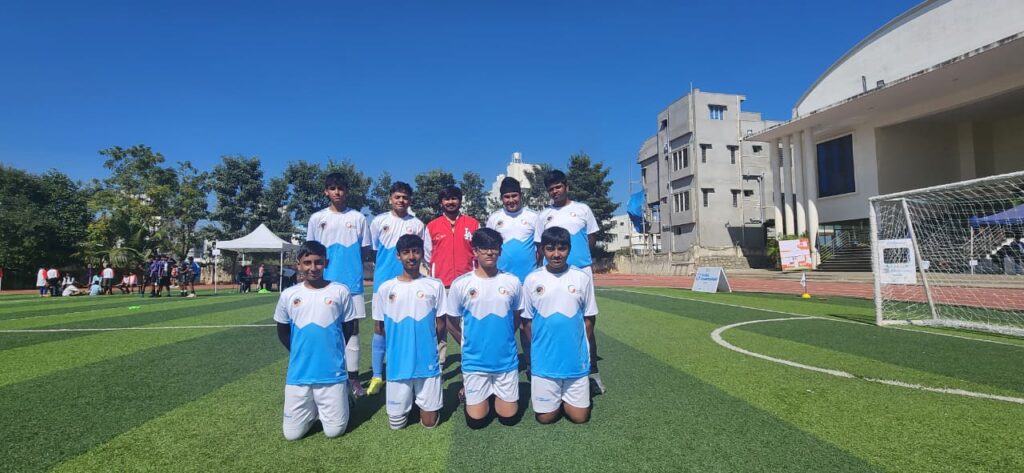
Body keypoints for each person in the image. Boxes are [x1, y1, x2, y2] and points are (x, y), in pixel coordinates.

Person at [273, 240, 355, 441]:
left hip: (332, 374)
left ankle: (343, 394)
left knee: (334, 432)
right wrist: (301, 352)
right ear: (298, 264)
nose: (313, 268)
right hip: (299, 374)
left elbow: (348, 328)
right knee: (292, 435)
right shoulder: (289, 294)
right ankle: (313, 409)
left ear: (326, 263)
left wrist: (331, 351)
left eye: (318, 262)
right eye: (307, 262)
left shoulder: (340, 291)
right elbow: (282, 332)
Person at [534, 169, 606, 395]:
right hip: (552, 274)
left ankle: (592, 372)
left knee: (587, 320)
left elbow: (591, 238)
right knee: (554, 319)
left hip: (580, 271)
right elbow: (539, 246)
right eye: (551, 189)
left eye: (558, 187)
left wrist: (578, 260)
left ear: (566, 186)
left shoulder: (583, 209)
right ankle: (545, 368)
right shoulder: (543, 215)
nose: (555, 191)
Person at [445, 228, 523, 428]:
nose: (490, 252)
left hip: (505, 362)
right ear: (475, 251)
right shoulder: (461, 284)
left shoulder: (512, 282)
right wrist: (466, 343)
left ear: (500, 251)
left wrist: (504, 338)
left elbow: (516, 317)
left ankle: (492, 393)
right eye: (484, 248)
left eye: (494, 248)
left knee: (509, 420)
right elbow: (450, 322)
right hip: (475, 363)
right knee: (477, 422)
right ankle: (469, 392)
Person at [521, 227, 598, 424]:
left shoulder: (581, 278)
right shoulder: (532, 279)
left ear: (569, 249)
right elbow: (527, 321)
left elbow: (589, 317)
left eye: (562, 249)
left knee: (580, 417)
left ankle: (571, 392)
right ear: (542, 250)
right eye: (550, 249)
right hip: (545, 361)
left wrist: (579, 346)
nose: (556, 254)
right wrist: (539, 346)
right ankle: (556, 396)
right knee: (545, 418)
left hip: (575, 359)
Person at [306, 172, 372, 398]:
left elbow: (364, 250)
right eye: (333, 188)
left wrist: (350, 267)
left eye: (341, 188)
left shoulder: (358, 218)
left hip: (352, 283)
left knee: (353, 330)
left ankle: (353, 378)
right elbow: (311, 250)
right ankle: (331, 373)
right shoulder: (317, 218)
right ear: (326, 191)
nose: (337, 192)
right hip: (324, 283)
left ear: (347, 191)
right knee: (325, 327)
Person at [372, 234, 445, 430]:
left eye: (415, 252)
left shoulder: (434, 285)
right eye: (406, 252)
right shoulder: (386, 288)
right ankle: (409, 400)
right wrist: (378, 372)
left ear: (422, 254)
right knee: (396, 425)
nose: (411, 257)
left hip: (426, 362)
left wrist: (429, 346)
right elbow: (379, 329)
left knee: (429, 424)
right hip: (398, 364)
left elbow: (441, 323)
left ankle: (422, 402)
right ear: (398, 256)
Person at [367, 181, 432, 396]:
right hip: (383, 282)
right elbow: (375, 250)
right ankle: (377, 375)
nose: (401, 200)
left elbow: (422, 253)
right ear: (390, 199)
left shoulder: (418, 224)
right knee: (380, 327)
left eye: (405, 197)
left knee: (409, 322)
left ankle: (411, 366)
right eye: (397, 197)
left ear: (410, 200)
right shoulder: (379, 221)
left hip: (411, 282)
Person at [426, 185, 480, 369]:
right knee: (440, 325)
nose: (450, 202)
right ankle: (439, 364)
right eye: (447, 199)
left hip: (467, 283)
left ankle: (471, 359)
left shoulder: (473, 224)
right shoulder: (432, 226)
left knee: (468, 324)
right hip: (442, 284)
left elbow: (477, 251)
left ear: (460, 201)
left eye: (454, 198)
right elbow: (428, 255)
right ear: (441, 202)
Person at [487, 177, 539, 282]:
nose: (511, 200)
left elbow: (540, 249)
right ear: (501, 198)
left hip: (529, 279)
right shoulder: (494, 218)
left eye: (514, 196)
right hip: (502, 279)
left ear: (520, 196)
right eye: (507, 197)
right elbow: (489, 248)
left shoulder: (534, 216)